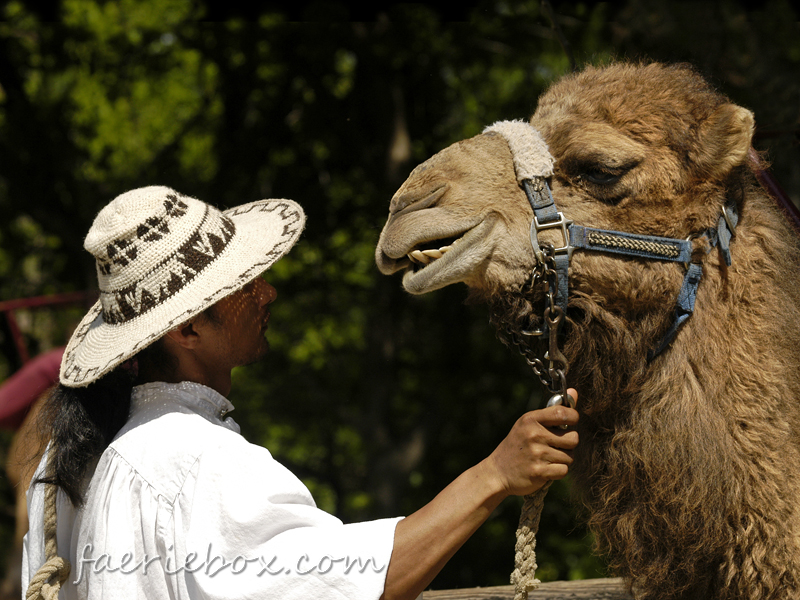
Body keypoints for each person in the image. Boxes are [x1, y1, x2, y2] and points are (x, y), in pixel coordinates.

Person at [22, 186, 579, 600]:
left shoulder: (71, 461)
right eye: (241, 285)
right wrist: (496, 475)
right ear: (187, 331)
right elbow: (360, 584)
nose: (268, 292)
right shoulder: (196, 462)